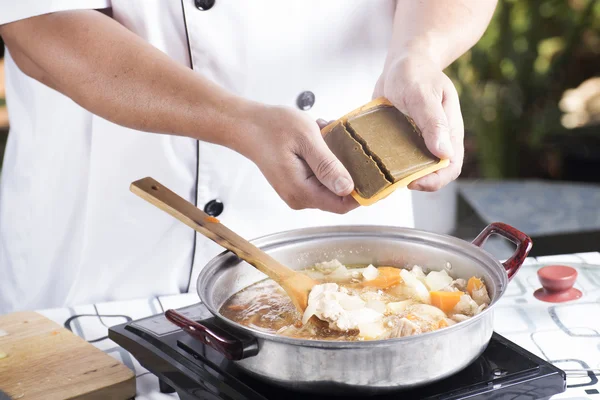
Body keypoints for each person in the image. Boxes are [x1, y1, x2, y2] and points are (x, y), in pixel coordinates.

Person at [0, 1, 497, 314]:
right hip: (114, 257)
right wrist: (237, 122)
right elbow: (38, 27)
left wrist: (419, 52)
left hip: (360, 257)